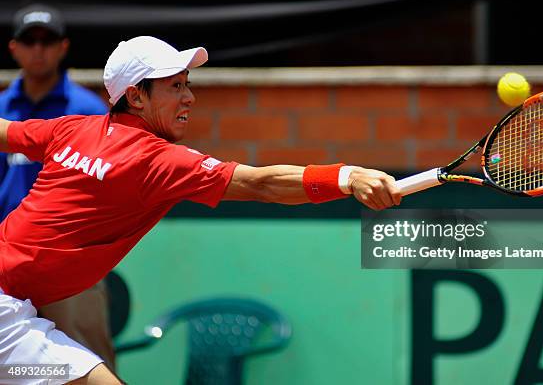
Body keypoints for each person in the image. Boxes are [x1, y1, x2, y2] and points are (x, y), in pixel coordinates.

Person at [0, 36, 402, 384]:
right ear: (136, 96)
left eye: (187, 84)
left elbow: (5, 131)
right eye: (175, 86)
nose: (189, 96)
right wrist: (345, 177)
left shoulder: (72, 129)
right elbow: (260, 183)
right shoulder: (156, 160)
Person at [0, 4, 115, 370]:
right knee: (18, 368)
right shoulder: (2, 108)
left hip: (70, 263)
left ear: (63, 47)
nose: (38, 49)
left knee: (86, 361)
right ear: (13, 48)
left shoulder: (88, 110)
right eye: (28, 40)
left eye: (47, 40)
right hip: (9, 263)